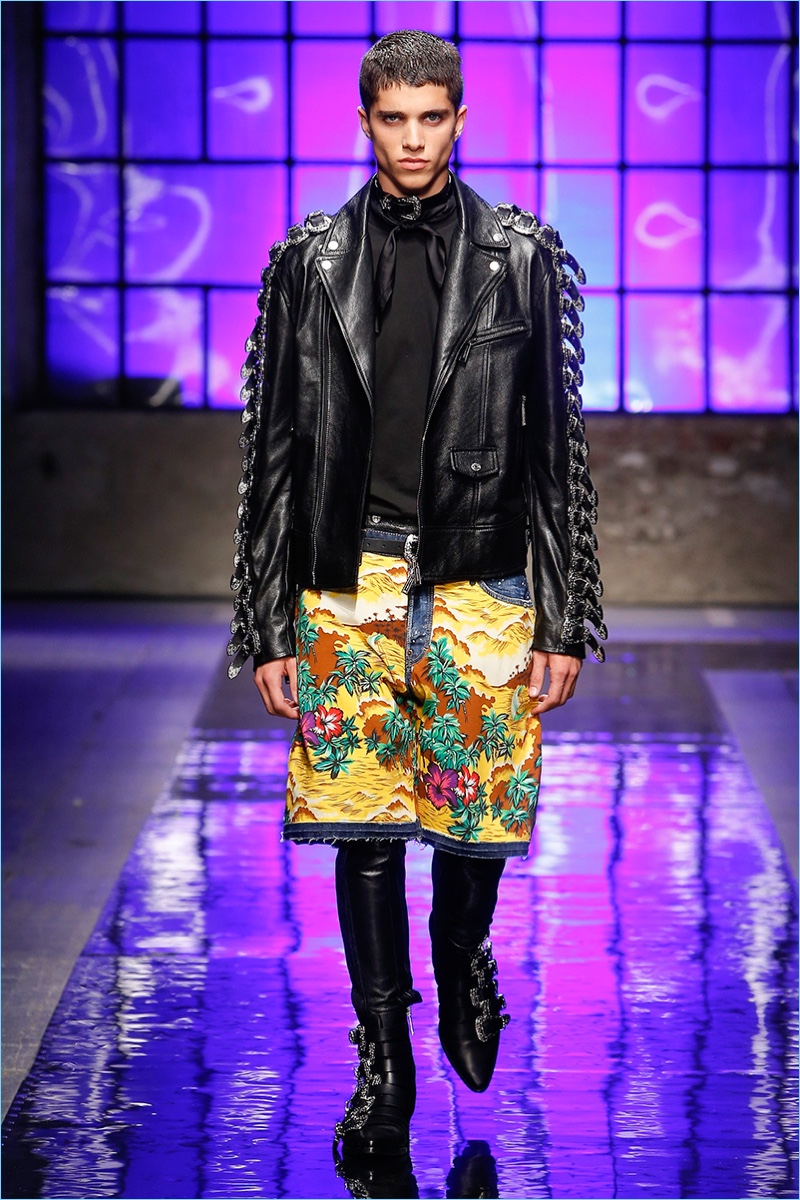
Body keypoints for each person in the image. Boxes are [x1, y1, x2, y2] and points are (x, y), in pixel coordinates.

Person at [228, 29, 606, 1162]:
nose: (410, 139)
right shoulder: (309, 264)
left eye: (429, 118)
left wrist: (564, 613)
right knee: (365, 826)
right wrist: (266, 623)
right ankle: (383, 1063)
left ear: (459, 120)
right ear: (364, 122)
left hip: (481, 573)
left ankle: (458, 954)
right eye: (391, 119)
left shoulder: (519, 257)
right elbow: (274, 456)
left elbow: (555, 452)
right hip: (347, 575)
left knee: (476, 826)